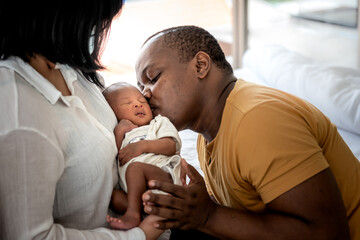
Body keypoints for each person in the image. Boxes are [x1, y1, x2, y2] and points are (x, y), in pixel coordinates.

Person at [135, 25, 360, 239]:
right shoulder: (208, 136)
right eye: (140, 87)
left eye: (153, 78)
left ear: (201, 65)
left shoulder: (258, 119)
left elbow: (327, 234)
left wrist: (208, 216)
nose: (144, 94)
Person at [0, 1, 163, 239]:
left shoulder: (69, 68)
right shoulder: (19, 110)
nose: (98, 28)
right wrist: (138, 235)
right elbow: (34, 236)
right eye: (97, 18)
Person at [102, 82, 182, 231]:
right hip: (136, 195)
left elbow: (171, 146)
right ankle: (146, 211)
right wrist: (119, 132)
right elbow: (117, 157)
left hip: (163, 178)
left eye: (142, 101)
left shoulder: (158, 123)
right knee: (113, 198)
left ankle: (133, 215)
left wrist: (142, 146)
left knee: (135, 168)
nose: (138, 105)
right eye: (127, 103)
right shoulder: (121, 131)